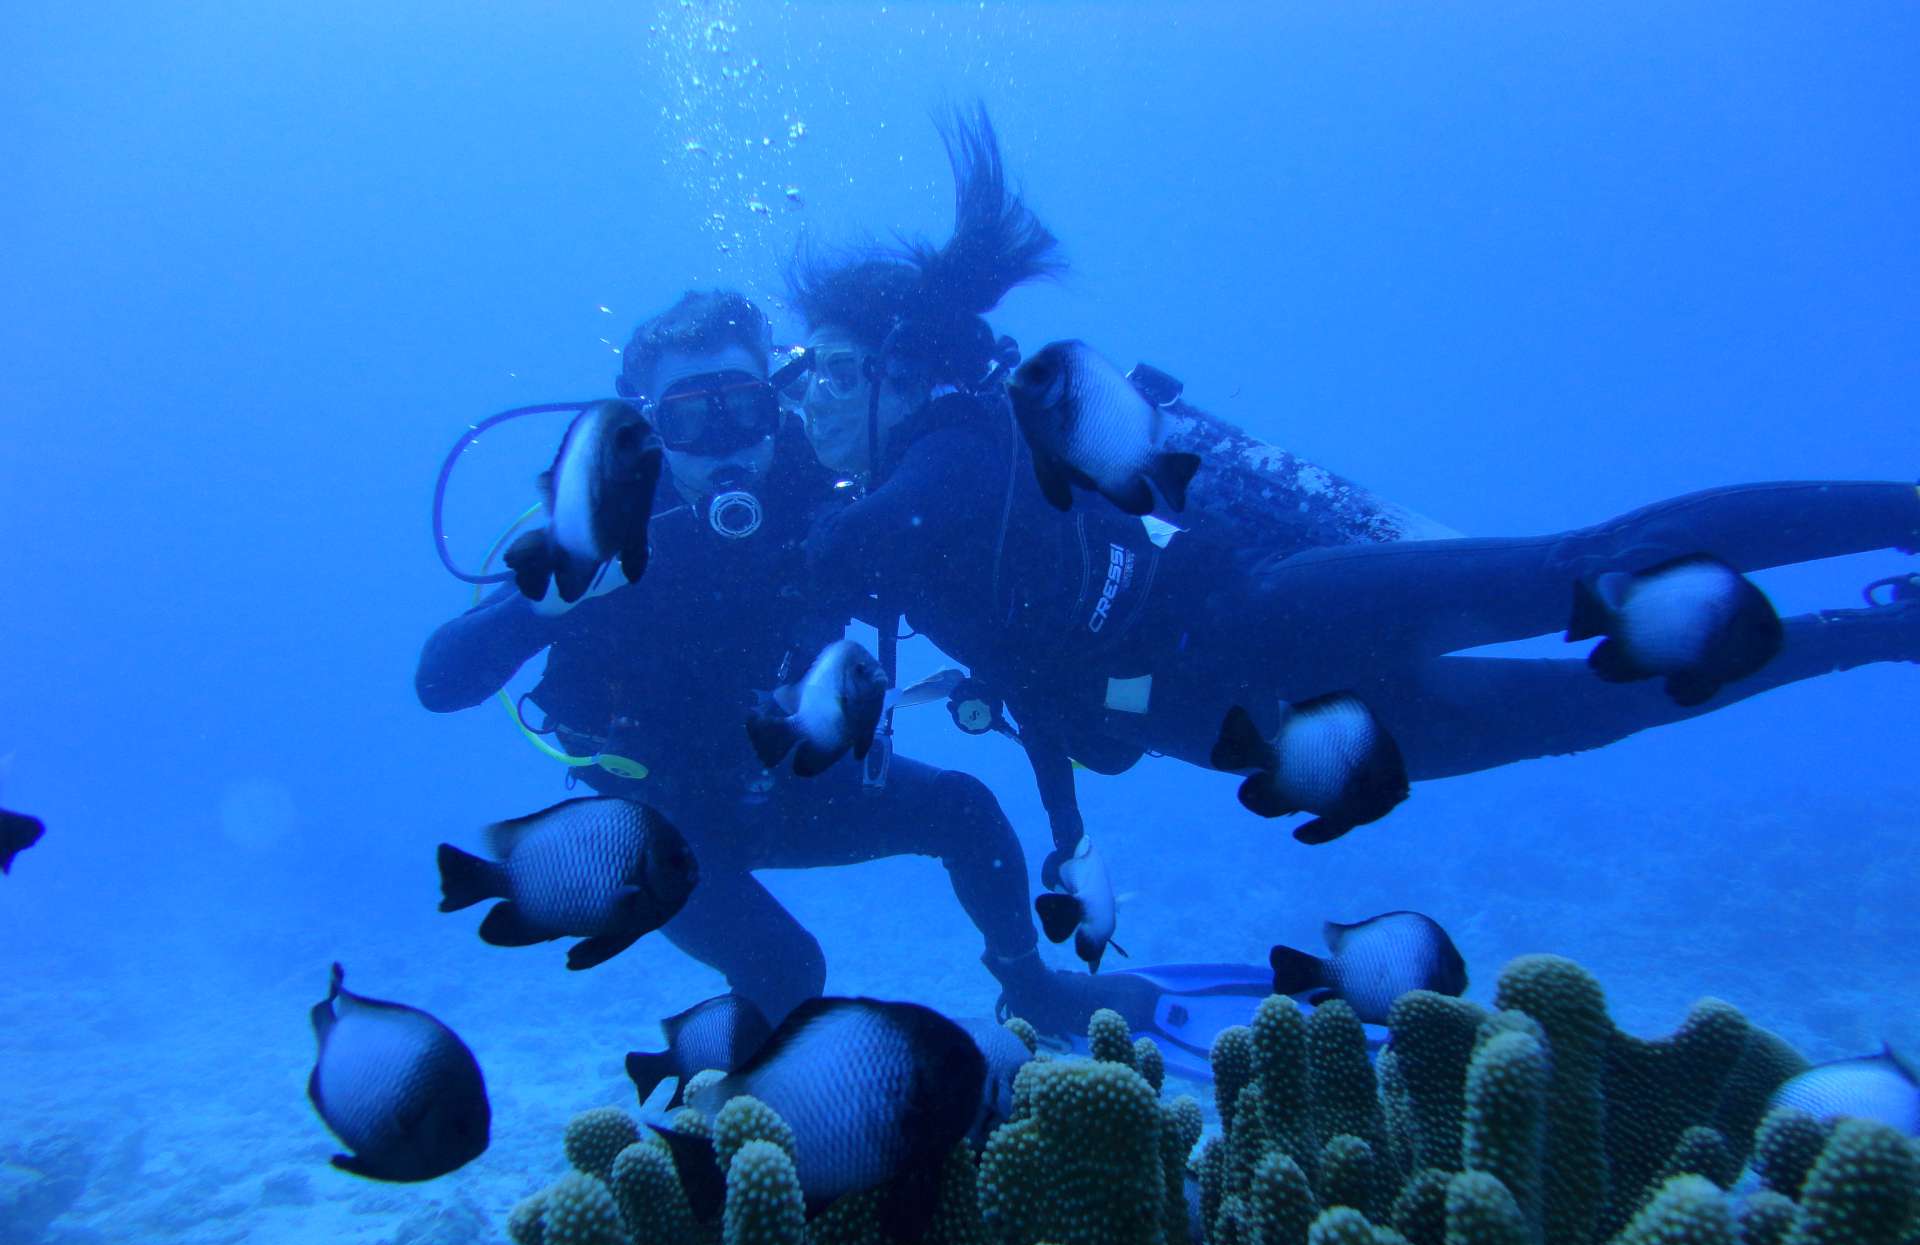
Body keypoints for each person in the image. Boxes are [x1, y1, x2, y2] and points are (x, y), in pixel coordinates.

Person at [784, 107, 1920, 1029]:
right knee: (1582, 709)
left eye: (832, 371)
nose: (813, 402)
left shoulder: (957, 445)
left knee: (1582, 569)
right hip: (1236, 724)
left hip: (1272, 622)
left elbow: (884, 525)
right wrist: (1066, 826)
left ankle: (1901, 513)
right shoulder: (908, 509)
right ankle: (1879, 631)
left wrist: (800, 552)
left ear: (903, 373)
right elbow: (1028, 676)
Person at [416, 290, 1044, 1029]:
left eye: (744, 409)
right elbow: (439, 681)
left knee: (964, 810)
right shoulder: (610, 513)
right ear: (651, 422)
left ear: (776, 403)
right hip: (656, 821)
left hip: (777, 776)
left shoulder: (819, 483)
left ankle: (1033, 993)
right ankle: (733, 1096)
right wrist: (551, 597)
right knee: (786, 966)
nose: (725, 444)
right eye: (688, 418)